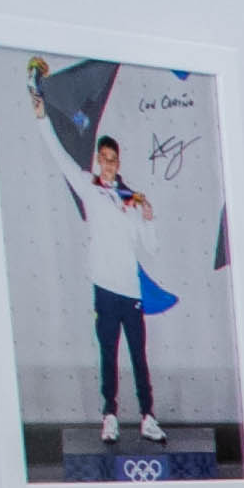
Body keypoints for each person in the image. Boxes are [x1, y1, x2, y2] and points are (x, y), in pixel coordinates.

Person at [76, 130, 161, 446]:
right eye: (104, 160)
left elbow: (150, 247)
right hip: (105, 289)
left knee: (139, 354)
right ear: (98, 161)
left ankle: (148, 417)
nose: (109, 165)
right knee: (108, 353)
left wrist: (149, 219)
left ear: (118, 161)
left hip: (131, 293)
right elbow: (60, 157)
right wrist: (42, 118)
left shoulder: (131, 198)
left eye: (113, 160)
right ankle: (109, 416)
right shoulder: (89, 188)